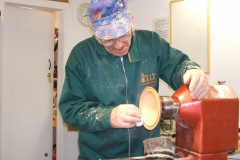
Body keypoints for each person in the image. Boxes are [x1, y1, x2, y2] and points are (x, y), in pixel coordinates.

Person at [59, 0, 209, 159]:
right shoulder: (81, 55)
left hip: (147, 153)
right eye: (108, 39)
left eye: (123, 34)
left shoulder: (151, 43)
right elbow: (70, 109)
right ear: (94, 31)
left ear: (132, 20)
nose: (118, 46)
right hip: (99, 155)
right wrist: (109, 116)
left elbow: (178, 65)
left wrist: (190, 70)